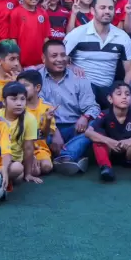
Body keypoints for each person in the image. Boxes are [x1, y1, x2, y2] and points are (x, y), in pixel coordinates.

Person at [37, 39, 99, 173]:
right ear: (43, 58)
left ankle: (65, 156)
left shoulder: (79, 77)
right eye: (54, 56)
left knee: (97, 125)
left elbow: (92, 107)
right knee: (34, 127)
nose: (60, 59)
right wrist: (54, 132)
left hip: (75, 128)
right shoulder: (36, 79)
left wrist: (85, 117)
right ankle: (71, 156)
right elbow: (39, 110)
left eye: (63, 55)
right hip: (47, 128)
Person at [63, 0, 131, 107]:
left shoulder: (122, 37)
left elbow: (130, 70)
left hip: (107, 91)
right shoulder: (77, 34)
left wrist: (123, 93)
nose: (107, 11)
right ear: (92, 11)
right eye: (102, 8)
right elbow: (59, 62)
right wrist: (71, 66)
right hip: (81, 89)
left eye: (110, 8)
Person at [86, 81, 131, 183]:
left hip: (129, 153)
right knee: (97, 137)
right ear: (110, 99)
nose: (124, 97)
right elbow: (88, 132)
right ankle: (106, 168)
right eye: (119, 94)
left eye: (127, 94)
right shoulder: (104, 114)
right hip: (110, 152)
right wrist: (109, 141)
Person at [0, 82, 34, 184]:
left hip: (13, 162)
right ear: (4, 101)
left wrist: (28, 174)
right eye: (14, 99)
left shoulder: (29, 119)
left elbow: (28, 148)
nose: (19, 103)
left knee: (18, 171)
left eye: (22, 99)